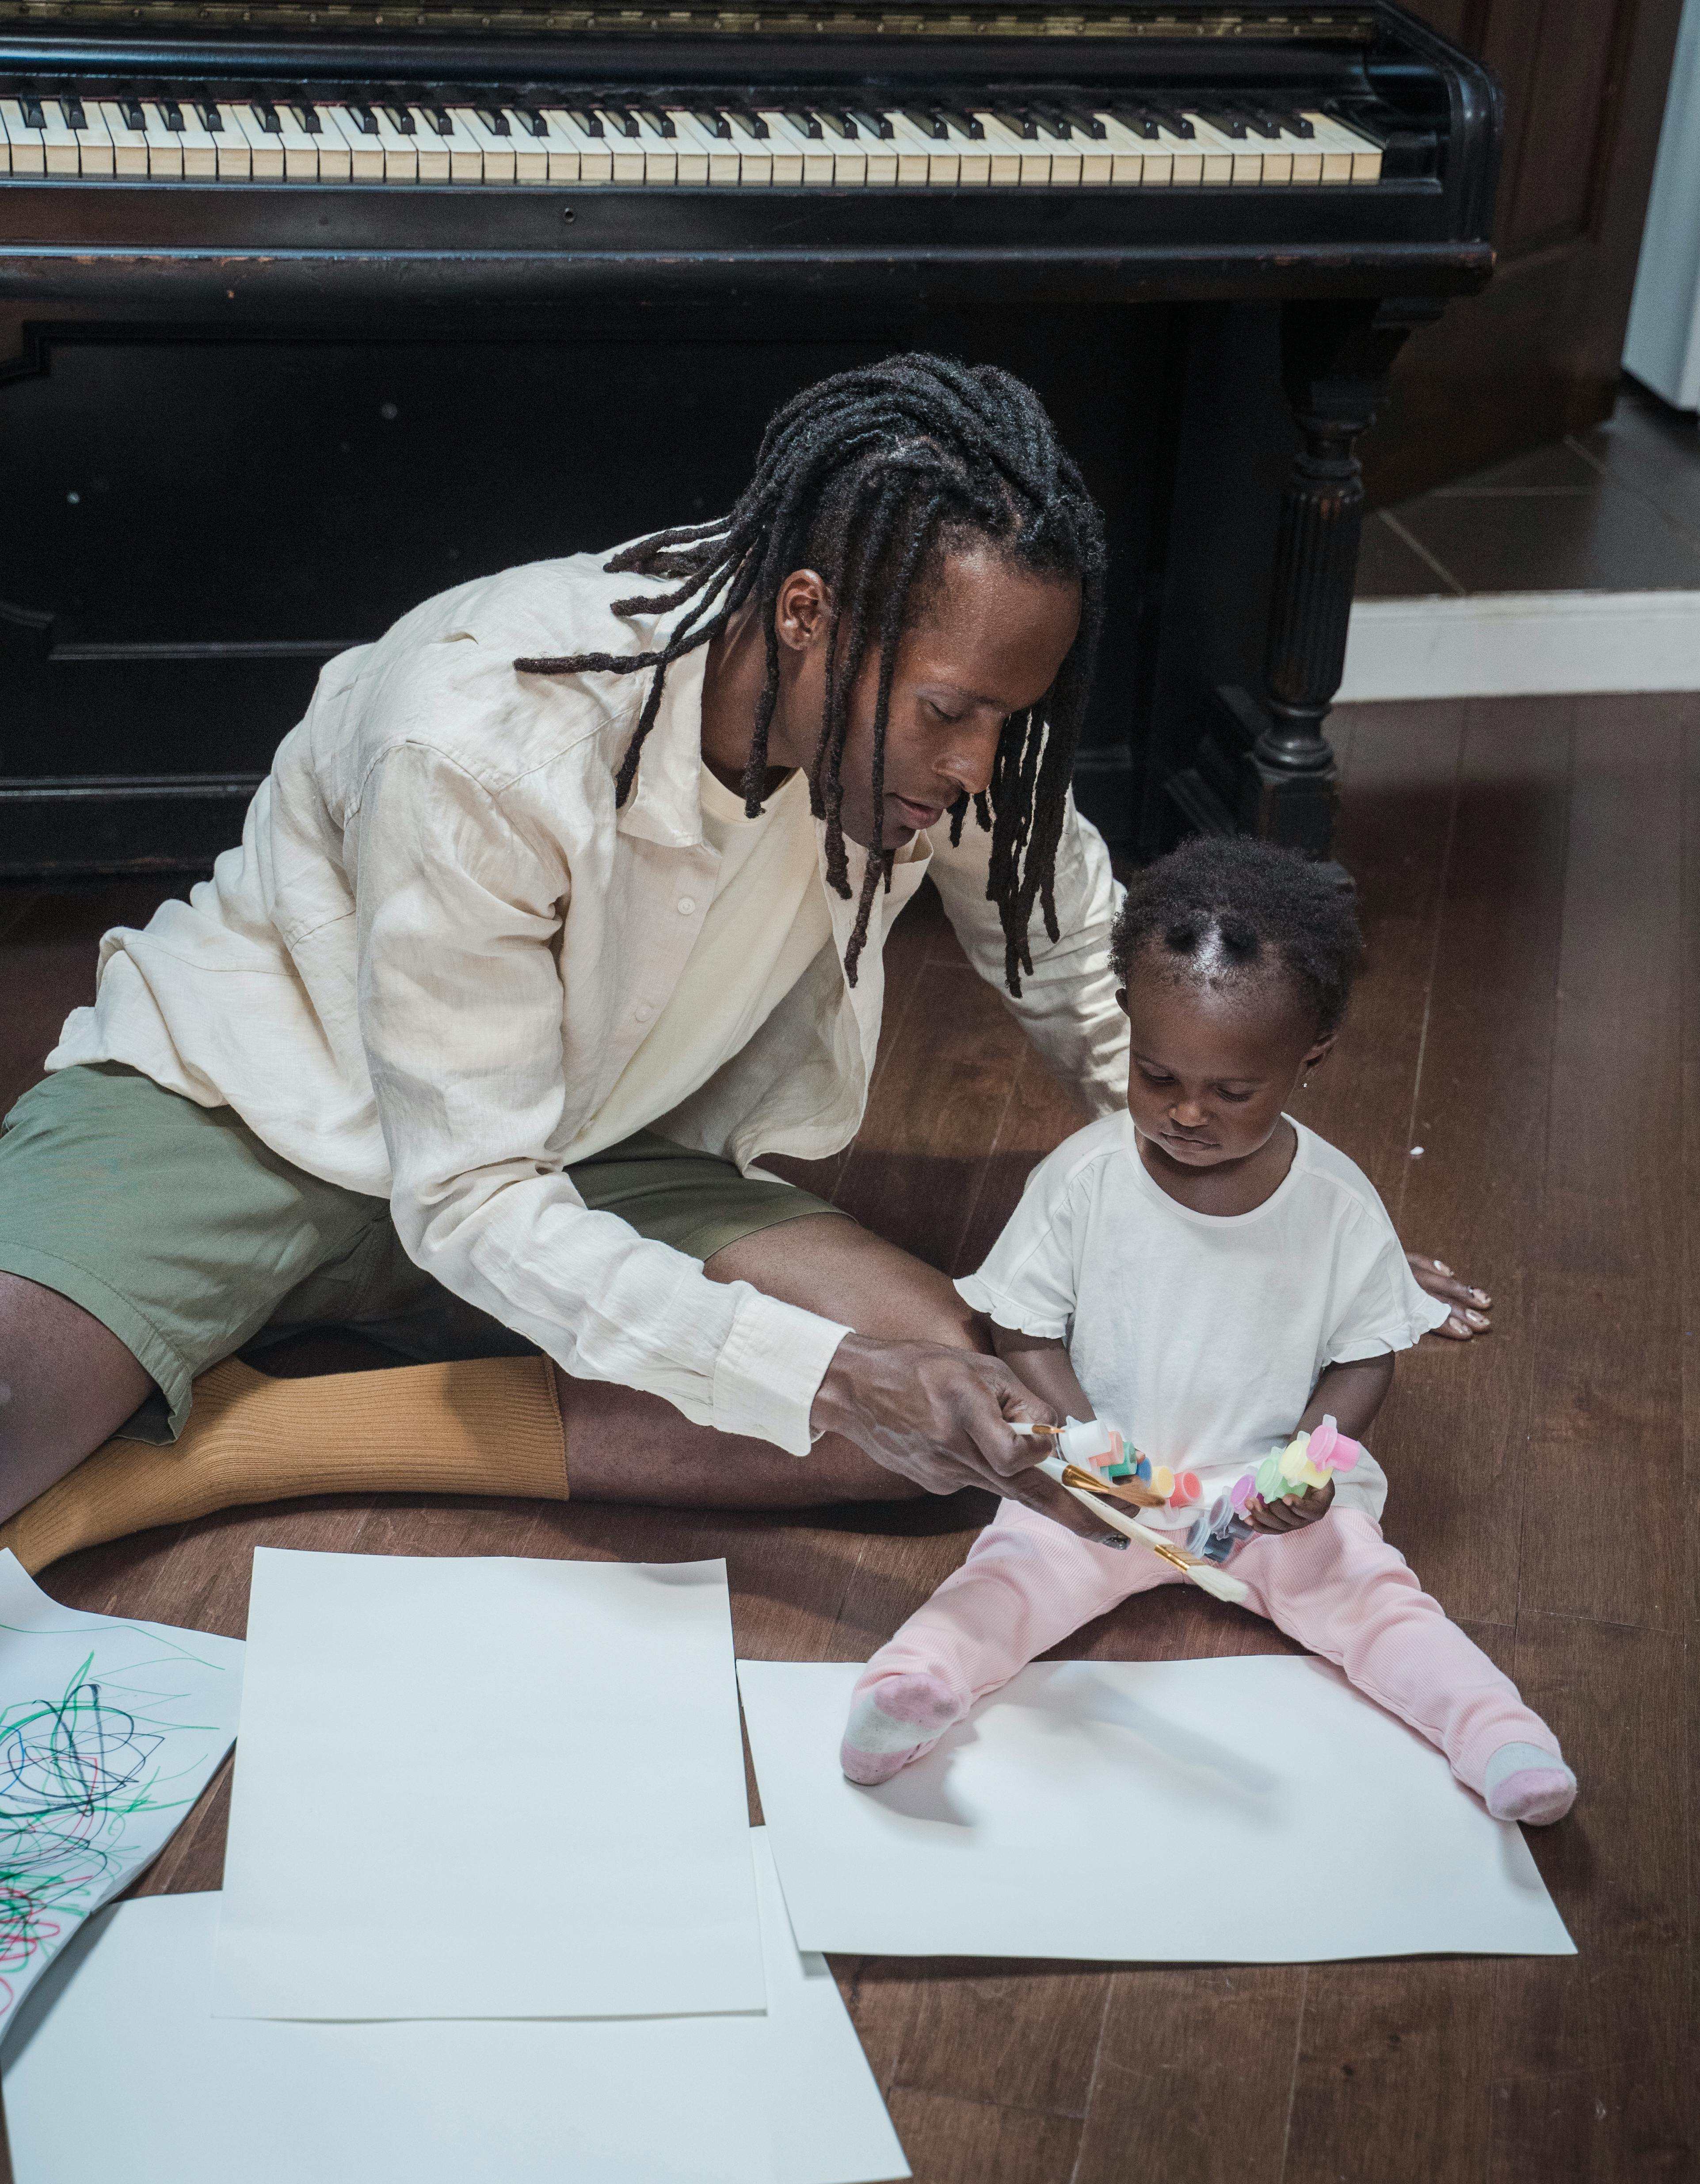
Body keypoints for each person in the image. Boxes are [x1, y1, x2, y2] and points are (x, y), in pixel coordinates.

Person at [0, 358, 1489, 1570]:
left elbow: (1084, 971)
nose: (978, 770)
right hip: (255, 1110)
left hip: (593, 1149)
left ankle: (252, 1442)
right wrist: (812, 1373)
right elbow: (460, 1195)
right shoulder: (477, 730)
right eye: (952, 714)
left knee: (965, 1406)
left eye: (1006, 722)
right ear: (804, 618)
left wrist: (1270, 1202)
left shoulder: (942, 721)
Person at [839, 837, 1575, 1827]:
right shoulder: (1085, 1178)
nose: (1186, 1113)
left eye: (1232, 1093)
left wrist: (1311, 1460)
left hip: (1260, 1493)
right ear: (1130, 1036)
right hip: (1114, 1476)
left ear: (1305, 1061)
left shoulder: (1335, 1205)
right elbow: (1020, 1323)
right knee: (1012, 1572)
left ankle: (1497, 1734)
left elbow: (1365, 1353)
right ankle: (910, 1685)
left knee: (1372, 1597)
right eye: (1157, 1077)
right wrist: (1087, 1445)